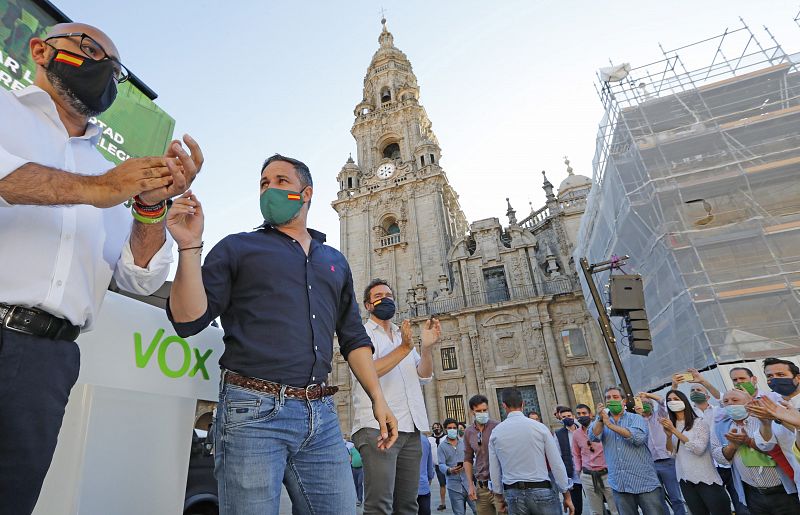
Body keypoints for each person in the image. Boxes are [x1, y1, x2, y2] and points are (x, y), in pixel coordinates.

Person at [0, 22, 203, 513]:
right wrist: (101, 189)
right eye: (91, 51)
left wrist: (151, 208)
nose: (105, 71)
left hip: (46, 363)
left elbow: (139, 276)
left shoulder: (108, 166)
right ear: (40, 50)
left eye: (115, 69)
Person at [166, 154, 397, 514]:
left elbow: (353, 338)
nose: (269, 189)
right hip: (252, 412)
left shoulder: (334, 261)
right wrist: (188, 246)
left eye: (280, 181)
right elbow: (187, 319)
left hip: (321, 416)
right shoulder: (237, 248)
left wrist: (378, 399)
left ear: (306, 194)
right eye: (263, 183)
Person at [352, 278, 440, 515]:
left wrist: (427, 348)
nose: (386, 299)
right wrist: (404, 348)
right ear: (368, 305)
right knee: (380, 505)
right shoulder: (361, 333)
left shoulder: (403, 334)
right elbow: (367, 371)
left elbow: (423, 376)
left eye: (389, 295)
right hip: (376, 428)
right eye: (379, 296)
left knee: (408, 505)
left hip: (411, 429)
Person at [710, 389, 799, 515]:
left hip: (782, 491)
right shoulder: (720, 426)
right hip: (752, 493)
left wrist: (748, 441)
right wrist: (732, 446)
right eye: (726, 401)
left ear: (749, 402)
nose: (730, 403)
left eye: (735, 400)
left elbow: (780, 449)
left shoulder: (764, 419)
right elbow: (719, 457)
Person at [488, 388, 574, 515]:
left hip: (514, 494)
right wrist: (566, 494)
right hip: (542, 489)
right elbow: (556, 463)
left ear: (504, 405)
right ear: (523, 404)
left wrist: (499, 497)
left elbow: (494, 469)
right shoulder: (540, 428)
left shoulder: (496, 432)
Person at [589, 386, 664, 515]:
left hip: (644, 482)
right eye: (608, 398)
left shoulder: (635, 418)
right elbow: (593, 437)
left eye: (615, 397)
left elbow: (638, 438)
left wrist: (611, 426)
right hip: (620, 484)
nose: (611, 400)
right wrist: (601, 419)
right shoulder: (601, 421)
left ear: (623, 401)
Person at [658, 390, 730, 515]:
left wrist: (675, 431)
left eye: (675, 399)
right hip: (685, 480)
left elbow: (699, 449)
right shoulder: (673, 425)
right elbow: (671, 454)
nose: (672, 402)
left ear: (684, 401)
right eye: (669, 400)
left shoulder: (700, 423)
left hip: (706, 478)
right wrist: (669, 436)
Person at [636, 392, 686, 515]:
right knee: (659, 498)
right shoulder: (636, 420)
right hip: (650, 464)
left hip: (667, 461)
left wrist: (647, 394)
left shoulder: (660, 414)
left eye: (647, 403)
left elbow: (663, 402)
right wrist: (639, 415)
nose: (645, 405)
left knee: (676, 497)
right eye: (642, 403)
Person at [572, 404, 618, 515]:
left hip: (607, 474)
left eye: (584, 413)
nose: (581, 416)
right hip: (588, 475)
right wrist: (579, 471)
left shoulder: (602, 428)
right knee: (596, 511)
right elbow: (576, 454)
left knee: (615, 509)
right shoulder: (576, 434)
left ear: (591, 415)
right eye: (578, 414)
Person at [464, 394, 501, 515]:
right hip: (482, 487)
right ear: (472, 412)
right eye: (479, 411)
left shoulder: (497, 427)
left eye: (484, 410)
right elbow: (468, 459)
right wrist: (470, 485)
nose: (482, 413)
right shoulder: (469, 432)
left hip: (500, 485)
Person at [438, 418, 477, 515]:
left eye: (454, 428)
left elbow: (474, 458)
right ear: (445, 429)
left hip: (469, 484)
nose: (452, 430)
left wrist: (468, 465)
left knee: (478, 510)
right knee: (459, 512)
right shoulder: (442, 447)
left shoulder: (464, 443)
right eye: (449, 428)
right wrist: (449, 470)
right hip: (454, 486)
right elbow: (441, 464)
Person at [554, 406, 583, 515]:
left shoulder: (583, 429)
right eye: (564, 417)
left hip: (588, 472)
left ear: (573, 416)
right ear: (561, 419)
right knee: (576, 508)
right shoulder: (558, 434)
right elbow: (557, 456)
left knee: (598, 505)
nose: (567, 418)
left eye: (569, 416)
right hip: (573, 476)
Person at [430, 423, 448, 511]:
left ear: (441, 428)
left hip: (448, 464)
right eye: (434, 428)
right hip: (438, 465)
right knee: (442, 484)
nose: (436, 429)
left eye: (438, 427)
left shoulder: (446, 437)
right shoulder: (430, 439)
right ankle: (443, 503)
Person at [418, 432, 436, 515]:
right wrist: (429, 477)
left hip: (402, 490)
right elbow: (430, 465)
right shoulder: (424, 440)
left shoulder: (396, 438)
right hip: (423, 486)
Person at [348, 439, 365, 507]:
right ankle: (358, 499)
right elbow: (350, 458)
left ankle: (360, 499)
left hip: (361, 468)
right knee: (356, 484)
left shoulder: (361, 449)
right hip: (353, 469)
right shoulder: (352, 449)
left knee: (359, 483)